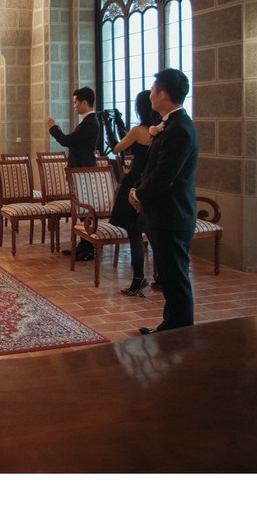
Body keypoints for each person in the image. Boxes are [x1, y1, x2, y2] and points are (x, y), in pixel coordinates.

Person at [130, 68, 199, 335]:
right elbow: (152, 168)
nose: (150, 94)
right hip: (164, 213)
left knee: (175, 277)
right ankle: (170, 326)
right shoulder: (170, 125)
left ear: (164, 94)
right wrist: (137, 190)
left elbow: (164, 175)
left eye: (154, 89)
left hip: (173, 214)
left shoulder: (179, 128)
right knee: (169, 277)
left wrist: (139, 195)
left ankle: (180, 332)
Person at [108, 90, 161, 297]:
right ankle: (162, 278)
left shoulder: (139, 131)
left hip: (135, 182)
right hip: (153, 182)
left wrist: (108, 128)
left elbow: (116, 148)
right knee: (154, 232)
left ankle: (139, 280)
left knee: (135, 233)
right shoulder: (161, 130)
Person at [46, 86, 100, 259]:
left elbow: (67, 141)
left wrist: (54, 128)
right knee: (81, 208)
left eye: (76, 102)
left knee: (85, 209)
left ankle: (88, 247)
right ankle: (83, 245)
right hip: (80, 170)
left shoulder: (90, 122)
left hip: (84, 170)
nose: (74, 105)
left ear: (84, 102)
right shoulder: (87, 121)